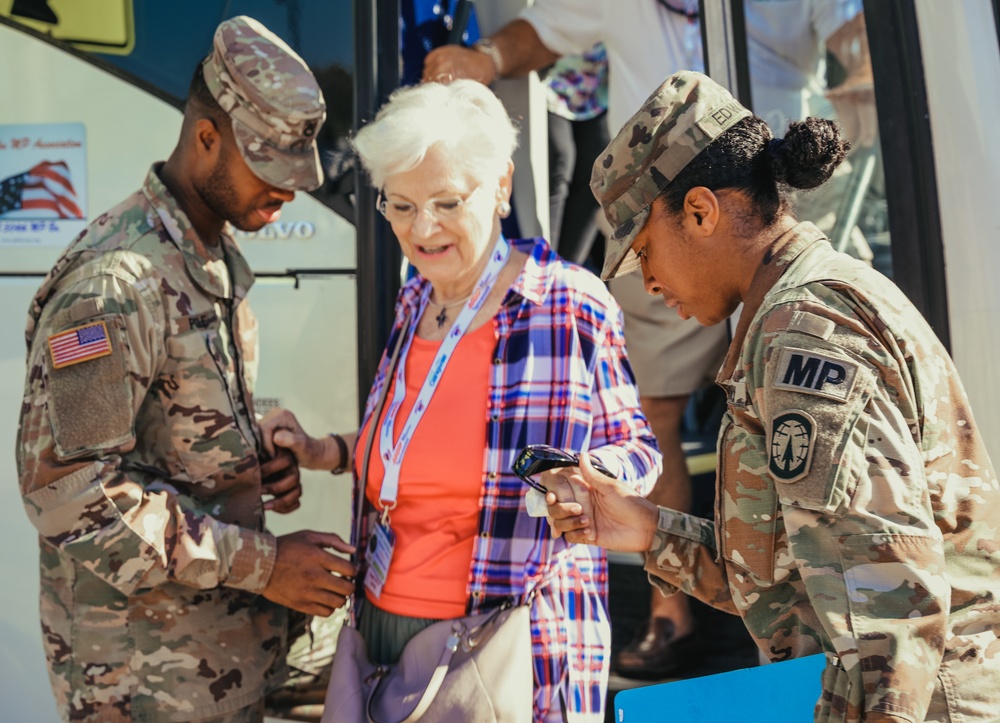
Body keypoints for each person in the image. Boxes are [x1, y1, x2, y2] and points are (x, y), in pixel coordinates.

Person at [543, 70, 1000, 721]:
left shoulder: (802, 334)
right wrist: (645, 528)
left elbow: (890, 607)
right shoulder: (796, 312)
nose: (645, 282)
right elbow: (793, 578)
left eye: (644, 251)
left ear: (699, 211)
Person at [260, 79, 661, 721]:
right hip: (382, 625)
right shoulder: (417, 298)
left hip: (501, 645)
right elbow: (409, 445)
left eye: (447, 201)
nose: (422, 228)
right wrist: (325, 450)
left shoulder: (566, 304)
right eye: (400, 205)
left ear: (501, 186)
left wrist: (593, 476)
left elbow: (638, 450)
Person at [15, 16, 355, 722]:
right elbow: (74, 496)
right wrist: (265, 563)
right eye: (268, 169)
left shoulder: (209, 258)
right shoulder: (113, 287)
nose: (286, 192)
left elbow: (166, 441)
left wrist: (251, 464)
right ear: (206, 138)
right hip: (138, 680)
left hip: (210, 664)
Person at [422, 0, 726, 677]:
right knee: (661, 412)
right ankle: (669, 612)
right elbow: (544, 30)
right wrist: (485, 60)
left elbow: (849, 39)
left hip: (763, 220)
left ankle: (786, 614)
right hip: (668, 224)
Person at [544, 42, 610, 266]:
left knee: (600, 172)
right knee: (560, 160)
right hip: (549, 80)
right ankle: (543, 264)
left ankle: (565, 271)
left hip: (595, 88)